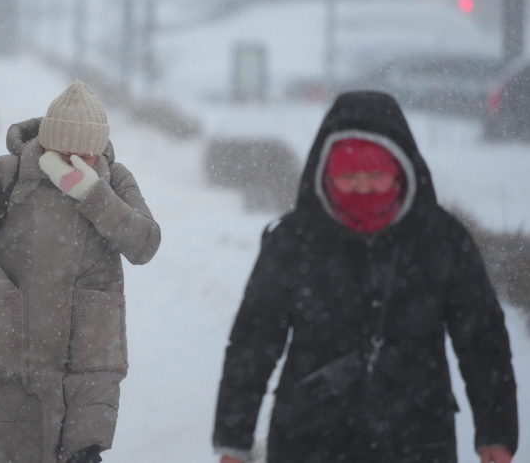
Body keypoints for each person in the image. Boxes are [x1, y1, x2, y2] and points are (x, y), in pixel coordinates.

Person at [213, 91, 518, 463]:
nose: (362, 187)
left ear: (400, 170)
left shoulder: (441, 239)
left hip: (418, 442)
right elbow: (252, 344)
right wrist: (233, 441)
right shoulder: (293, 241)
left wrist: (496, 434)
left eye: (375, 174)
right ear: (326, 174)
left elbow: (482, 341)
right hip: (307, 442)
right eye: (347, 176)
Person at [0, 81, 161, 463]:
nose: (77, 162)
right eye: (66, 152)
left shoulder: (115, 180)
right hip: (12, 346)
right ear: (47, 143)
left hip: (89, 358)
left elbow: (144, 245)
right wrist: (0, 298)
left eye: (87, 155)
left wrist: (94, 195)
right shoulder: (9, 173)